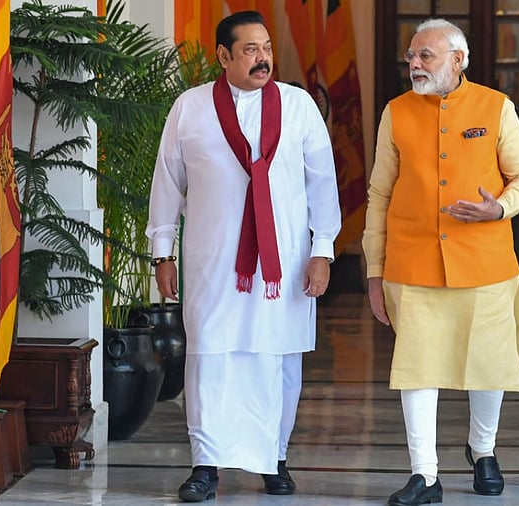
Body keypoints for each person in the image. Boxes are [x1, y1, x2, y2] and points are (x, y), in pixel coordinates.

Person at [146, 10, 342, 503]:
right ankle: (205, 465)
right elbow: (167, 184)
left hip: (285, 264)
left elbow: (323, 185)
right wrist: (161, 253)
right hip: (213, 263)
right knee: (209, 356)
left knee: (278, 358)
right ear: (223, 56)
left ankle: (275, 459)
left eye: (267, 48)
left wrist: (323, 251)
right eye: (251, 49)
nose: (263, 59)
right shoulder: (190, 108)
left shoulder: (298, 106)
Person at [362, 19, 519, 506]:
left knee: (488, 366)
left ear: (457, 60)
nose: (415, 64)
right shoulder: (396, 112)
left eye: (426, 55)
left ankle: (483, 450)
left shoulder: (496, 106)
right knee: (417, 369)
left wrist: (499, 208)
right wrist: (373, 270)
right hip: (412, 260)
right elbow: (379, 191)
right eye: (411, 55)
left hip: (485, 261)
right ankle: (424, 476)